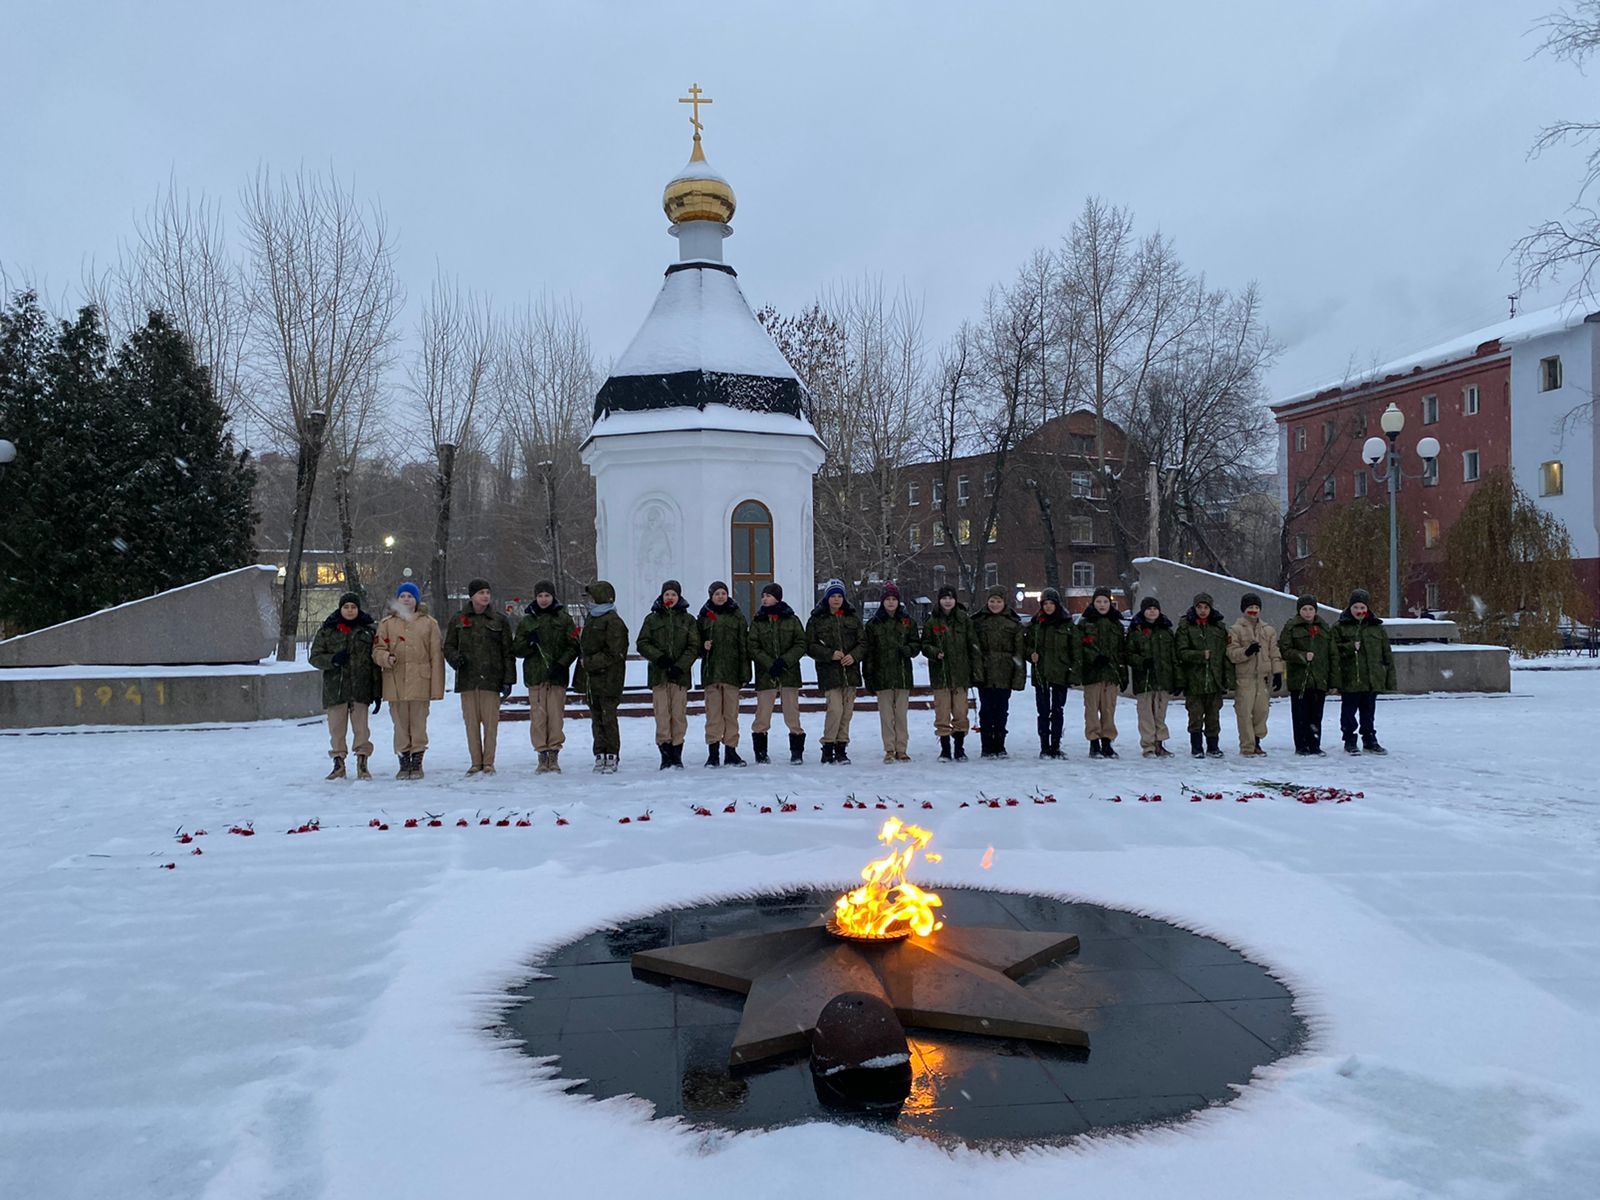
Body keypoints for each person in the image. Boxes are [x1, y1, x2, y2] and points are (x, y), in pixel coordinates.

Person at [443, 578, 516, 776]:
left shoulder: (499, 620)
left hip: (491, 680)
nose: (485, 596)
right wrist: (454, 658)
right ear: (472, 596)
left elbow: (508, 652)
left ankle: (489, 762)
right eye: (481, 593)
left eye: (487, 592)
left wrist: (509, 679)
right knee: (471, 724)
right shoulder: (458, 619)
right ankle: (476, 762)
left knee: (491, 724)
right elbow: (448, 645)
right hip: (468, 680)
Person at [372, 581, 445, 780]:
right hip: (395, 680)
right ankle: (404, 761)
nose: (406, 599)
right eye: (403, 596)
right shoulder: (387, 624)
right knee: (400, 724)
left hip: (421, 680)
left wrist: (437, 687)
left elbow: (436, 657)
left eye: (410, 596)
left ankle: (417, 761)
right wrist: (386, 658)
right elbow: (377, 650)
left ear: (416, 600)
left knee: (419, 724)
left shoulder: (429, 623)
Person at [308, 590, 379, 780]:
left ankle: (362, 764)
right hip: (335, 688)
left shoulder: (368, 630)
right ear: (340, 609)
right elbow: (314, 657)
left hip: (360, 687)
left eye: (353, 607)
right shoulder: (328, 630)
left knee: (362, 730)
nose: (349, 610)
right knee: (337, 730)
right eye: (346, 607)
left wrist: (377, 690)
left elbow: (374, 662)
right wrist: (332, 660)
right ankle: (338, 763)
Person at [512, 580, 579, 774]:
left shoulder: (564, 618)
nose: (543, 599)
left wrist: (561, 664)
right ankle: (542, 754)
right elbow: (516, 648)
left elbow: (573, 644)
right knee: (539, 718)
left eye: (547, 596)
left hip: (557, 676)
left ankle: (554, 754)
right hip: (536, 676)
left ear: (553, 597)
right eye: (540, 596)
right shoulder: (527, 621)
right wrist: (530, 645)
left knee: (556, 718)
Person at [637, 579, 699, 770]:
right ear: (662, 596)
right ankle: (665, 754)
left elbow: (694, 644)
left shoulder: (688, 620)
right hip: (659, 675)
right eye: (667, 594)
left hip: (679, 676)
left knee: (678, 716)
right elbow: (643, 642)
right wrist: (660, 658)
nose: (670, 597)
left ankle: (677, 753)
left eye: (673, 594)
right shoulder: (652, 619)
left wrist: (681, 665)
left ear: (679, 596)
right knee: (662, 715)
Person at [807, 578, 865, 764]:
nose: (836, 599)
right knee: (835, 710)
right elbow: (810, 645)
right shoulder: (817, 619)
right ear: (827, 598)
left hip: (850, 672)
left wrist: (854, 656)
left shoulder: (852, 618)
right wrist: (829, 654)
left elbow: (863, 643)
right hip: (829, 672)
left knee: (847, 712)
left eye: (839, 595)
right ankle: (828, 746)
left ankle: (841, 747)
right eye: (833, 596)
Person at [1332, 587, 1396, 755]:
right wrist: (1349, 647)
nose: (1359, 611)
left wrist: (1388, 677)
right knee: (1349, 713)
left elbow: (1386, 653)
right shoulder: (1340, 627)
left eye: (1362, 608)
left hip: (1371, 678)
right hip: (1350, 677)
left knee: (1368, 712)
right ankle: (1349, 740)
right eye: (1356, 608)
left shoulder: (1376, 628)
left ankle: (1369, 739)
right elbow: (1333, 651)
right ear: (1350, 608)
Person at [749, 582, 807, 764]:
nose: (765, 599)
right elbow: (753, 645)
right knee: (762, 716)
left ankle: (797, 752)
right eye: (763, 596)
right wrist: (769, 663)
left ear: (777, 598)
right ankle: (760, 752)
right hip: (766, 675)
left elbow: (800, 643)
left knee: (792, 715)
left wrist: (784, 661)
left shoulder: (792, 620)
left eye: (768, 595)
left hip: (788, 674)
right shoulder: (758, 621)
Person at [863, 581, 920, 763]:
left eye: (893, 599)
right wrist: (869, 676)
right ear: (882, 601)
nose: (890, 602)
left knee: (901, 716)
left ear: (898, 601)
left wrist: (909, 649)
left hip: (902, 675)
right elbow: (869, 652)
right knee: (886, 716)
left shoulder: (908, 622)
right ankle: (889, 749)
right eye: (887, 599)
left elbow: (916, 644)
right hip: (882, 675)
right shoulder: (874, 624)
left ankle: (902, 749)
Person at [922, 585, 979, 761]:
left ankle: (959, 748)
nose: (948, 601)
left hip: (960, 675)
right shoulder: (933, 622)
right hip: (941, 676)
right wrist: (934, 652)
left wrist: (975, 671)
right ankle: (945, 749)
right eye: (944, 598)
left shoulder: (964, 620)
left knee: (961, 713)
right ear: (939, 600)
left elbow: (973, 646)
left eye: (951, 598)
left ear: (955, 600)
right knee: (942, 713)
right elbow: (924, 645)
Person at [698, 580, 750, 767]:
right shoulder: (705, 616)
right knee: (713, 716)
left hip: (731, 673)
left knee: (731, 715)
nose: (720, 596)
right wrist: (702, 647)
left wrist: (745, 672)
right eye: (717, 593)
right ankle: (713, 753)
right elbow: (695, 642)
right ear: (711, 596)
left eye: (723, 593)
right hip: (712, 674)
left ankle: (731, 751)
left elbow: (744, 646)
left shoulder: (736, 616)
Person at [578, 580, 628, 773]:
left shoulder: (613, 621)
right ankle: (599, 753)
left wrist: (590, 662)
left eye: (592, 597)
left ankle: (612, 754)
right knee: (596, 718)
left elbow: (615, 652)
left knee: (608, 718)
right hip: (593, 679)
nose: (589, 601)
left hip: (610, 678)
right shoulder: (592, 618)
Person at [1174, 591, 1232, 758]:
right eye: (1199, 607)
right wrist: (1200, 655)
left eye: (1206, 607)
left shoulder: (1219, 627)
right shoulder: (1186, 626)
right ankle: (1196, 746)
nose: (1203, 610)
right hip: (1194, 679)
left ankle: (1213, 746)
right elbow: (1181, 652)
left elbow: (1224, 655)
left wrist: (1226, 678)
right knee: (1195, 716)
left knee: (1214, 715)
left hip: (1214, 679)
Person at [1226, 592, 1284, 757]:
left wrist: (1278, 672)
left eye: (1256, 607)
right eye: (1250, 607)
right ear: (1244, 609)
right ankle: (1247, 746)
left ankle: (1257, 741)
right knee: (1244, 713)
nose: (1253, 610)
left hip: (1262, 678)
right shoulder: (1235, 630)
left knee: (1262, 711)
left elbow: (1275, 652)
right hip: (1245, 678)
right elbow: (1232, 653)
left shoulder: (1268, 630)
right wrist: (1247, 651)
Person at [972, 586, 1026, 758]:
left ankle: (1000, 745)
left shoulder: (1013, 623)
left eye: (999, 601)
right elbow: (974, 649)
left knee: (1001, 710)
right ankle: (987, 746)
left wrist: (1018, 676)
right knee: (986, 710)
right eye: (992, 601)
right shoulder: (978, 622)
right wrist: (977, 672)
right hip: (985, 672)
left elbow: (1019, 651)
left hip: (1005, 672)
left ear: (1004, 602)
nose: (995, 604)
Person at [1280, 594, 1336, 756]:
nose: (1308, 612)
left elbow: (1331, 654)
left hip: (1319, 679)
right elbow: (1285, 650)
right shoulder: (1291, 627)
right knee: (1300, 715)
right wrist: (1302, 656)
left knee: (1316, 715)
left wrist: (1332, 680)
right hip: (1300, 680)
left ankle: (1315, 744)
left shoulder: (1324, 628)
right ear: (1299, 611)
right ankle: (1301, 745)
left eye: (1311, 609)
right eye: (1304, 609)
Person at [1125, 595, 1178, 758]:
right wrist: (1141, 661)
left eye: (1155, 609)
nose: (1152, 612)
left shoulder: (1166, 631)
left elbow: (1173, 656)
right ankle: (1148, 746)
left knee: (1160, 714)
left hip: (1163, 678)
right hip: (1145, 679)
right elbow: (1128, 654)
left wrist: (1176, 678)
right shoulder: (1136, 631)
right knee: (1146, 714)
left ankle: (1159, 744)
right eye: (1149, 609)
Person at [1077, 586, 1126, 758]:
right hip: (1092, 673)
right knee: (1091, 709)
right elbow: (1080, 646)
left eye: (1105, 601)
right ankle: (1094, 743)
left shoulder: (1116, 624)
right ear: (1093, 603)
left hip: (1111, 674)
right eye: (1098, 601)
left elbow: (1121, 651)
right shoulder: (1085, 623)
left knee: (1108, 709)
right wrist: (1093, 657)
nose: (1102, 605)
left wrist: (1122, 673)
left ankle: (1107, 742)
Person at [1028, 587, 1074, 758]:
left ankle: (1055, 745)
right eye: (1045, 603)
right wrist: (1029, 655)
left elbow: (1074, 649)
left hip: (1060, 673)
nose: (1048, 607)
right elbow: (1027, 645)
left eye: (1051, 603)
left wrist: (1072, 671)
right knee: (1043, 711)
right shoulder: (1036, 625)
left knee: (1057, 710)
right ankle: (1044, 746)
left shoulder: (1066, 624)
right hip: (1041, 673)